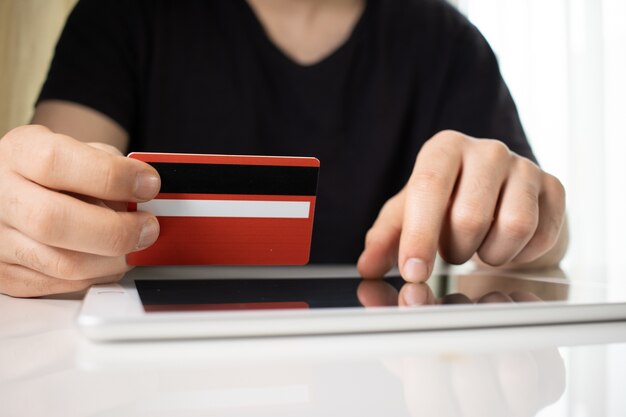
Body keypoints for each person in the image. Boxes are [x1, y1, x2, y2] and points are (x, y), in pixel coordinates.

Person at [0, 0, 567, 298]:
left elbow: (540, 239)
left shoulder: (447, 42)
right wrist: (27, 211)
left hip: (375, 384)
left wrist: (530, 219)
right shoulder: (123, 15)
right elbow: (48, 186)